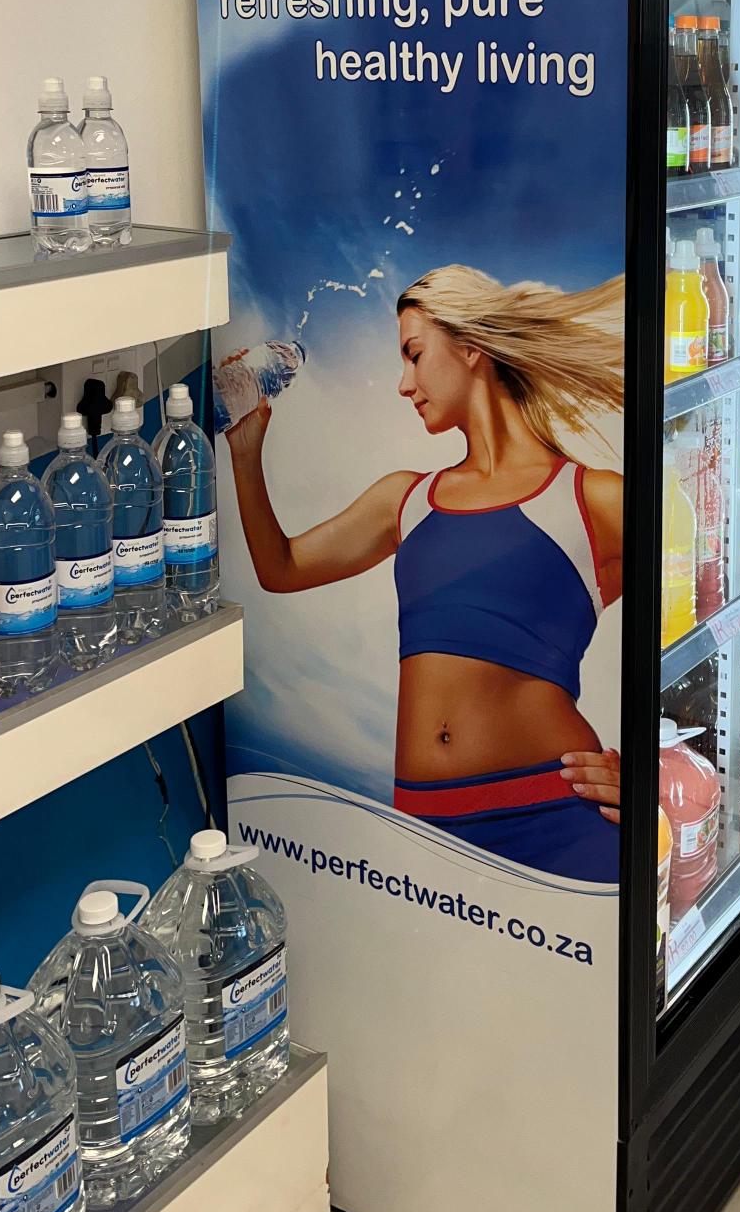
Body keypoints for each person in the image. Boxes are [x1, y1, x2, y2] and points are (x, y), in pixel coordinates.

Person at [225, 264, 624, 882]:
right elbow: (281, 568)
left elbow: (709, 617)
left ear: (471, 346)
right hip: (425, 826)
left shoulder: (591, 497)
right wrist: (245, 449)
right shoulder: (406, 500)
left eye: (414, 355)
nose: (403, 384)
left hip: (557, 816)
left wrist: (657, 770)